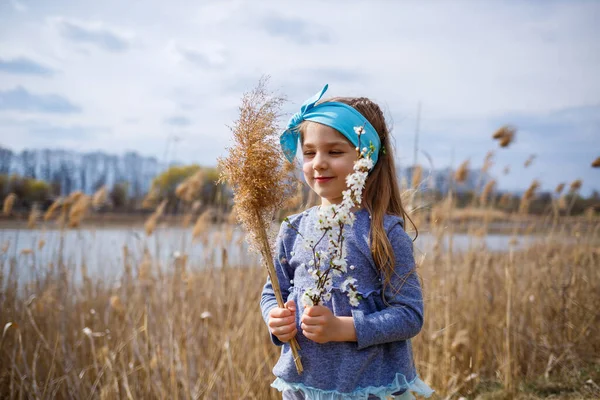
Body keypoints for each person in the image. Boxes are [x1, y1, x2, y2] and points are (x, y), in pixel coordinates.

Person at [260, 84, 434, 400]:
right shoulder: (293, 229)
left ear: (366, 159)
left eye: (335, 151)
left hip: (369, 388)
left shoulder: (384, 233)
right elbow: (273, 290)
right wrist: (274, 318)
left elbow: (409, 315)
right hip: (304, 386)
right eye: (310, 152)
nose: (319, 162)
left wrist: (343, 328)